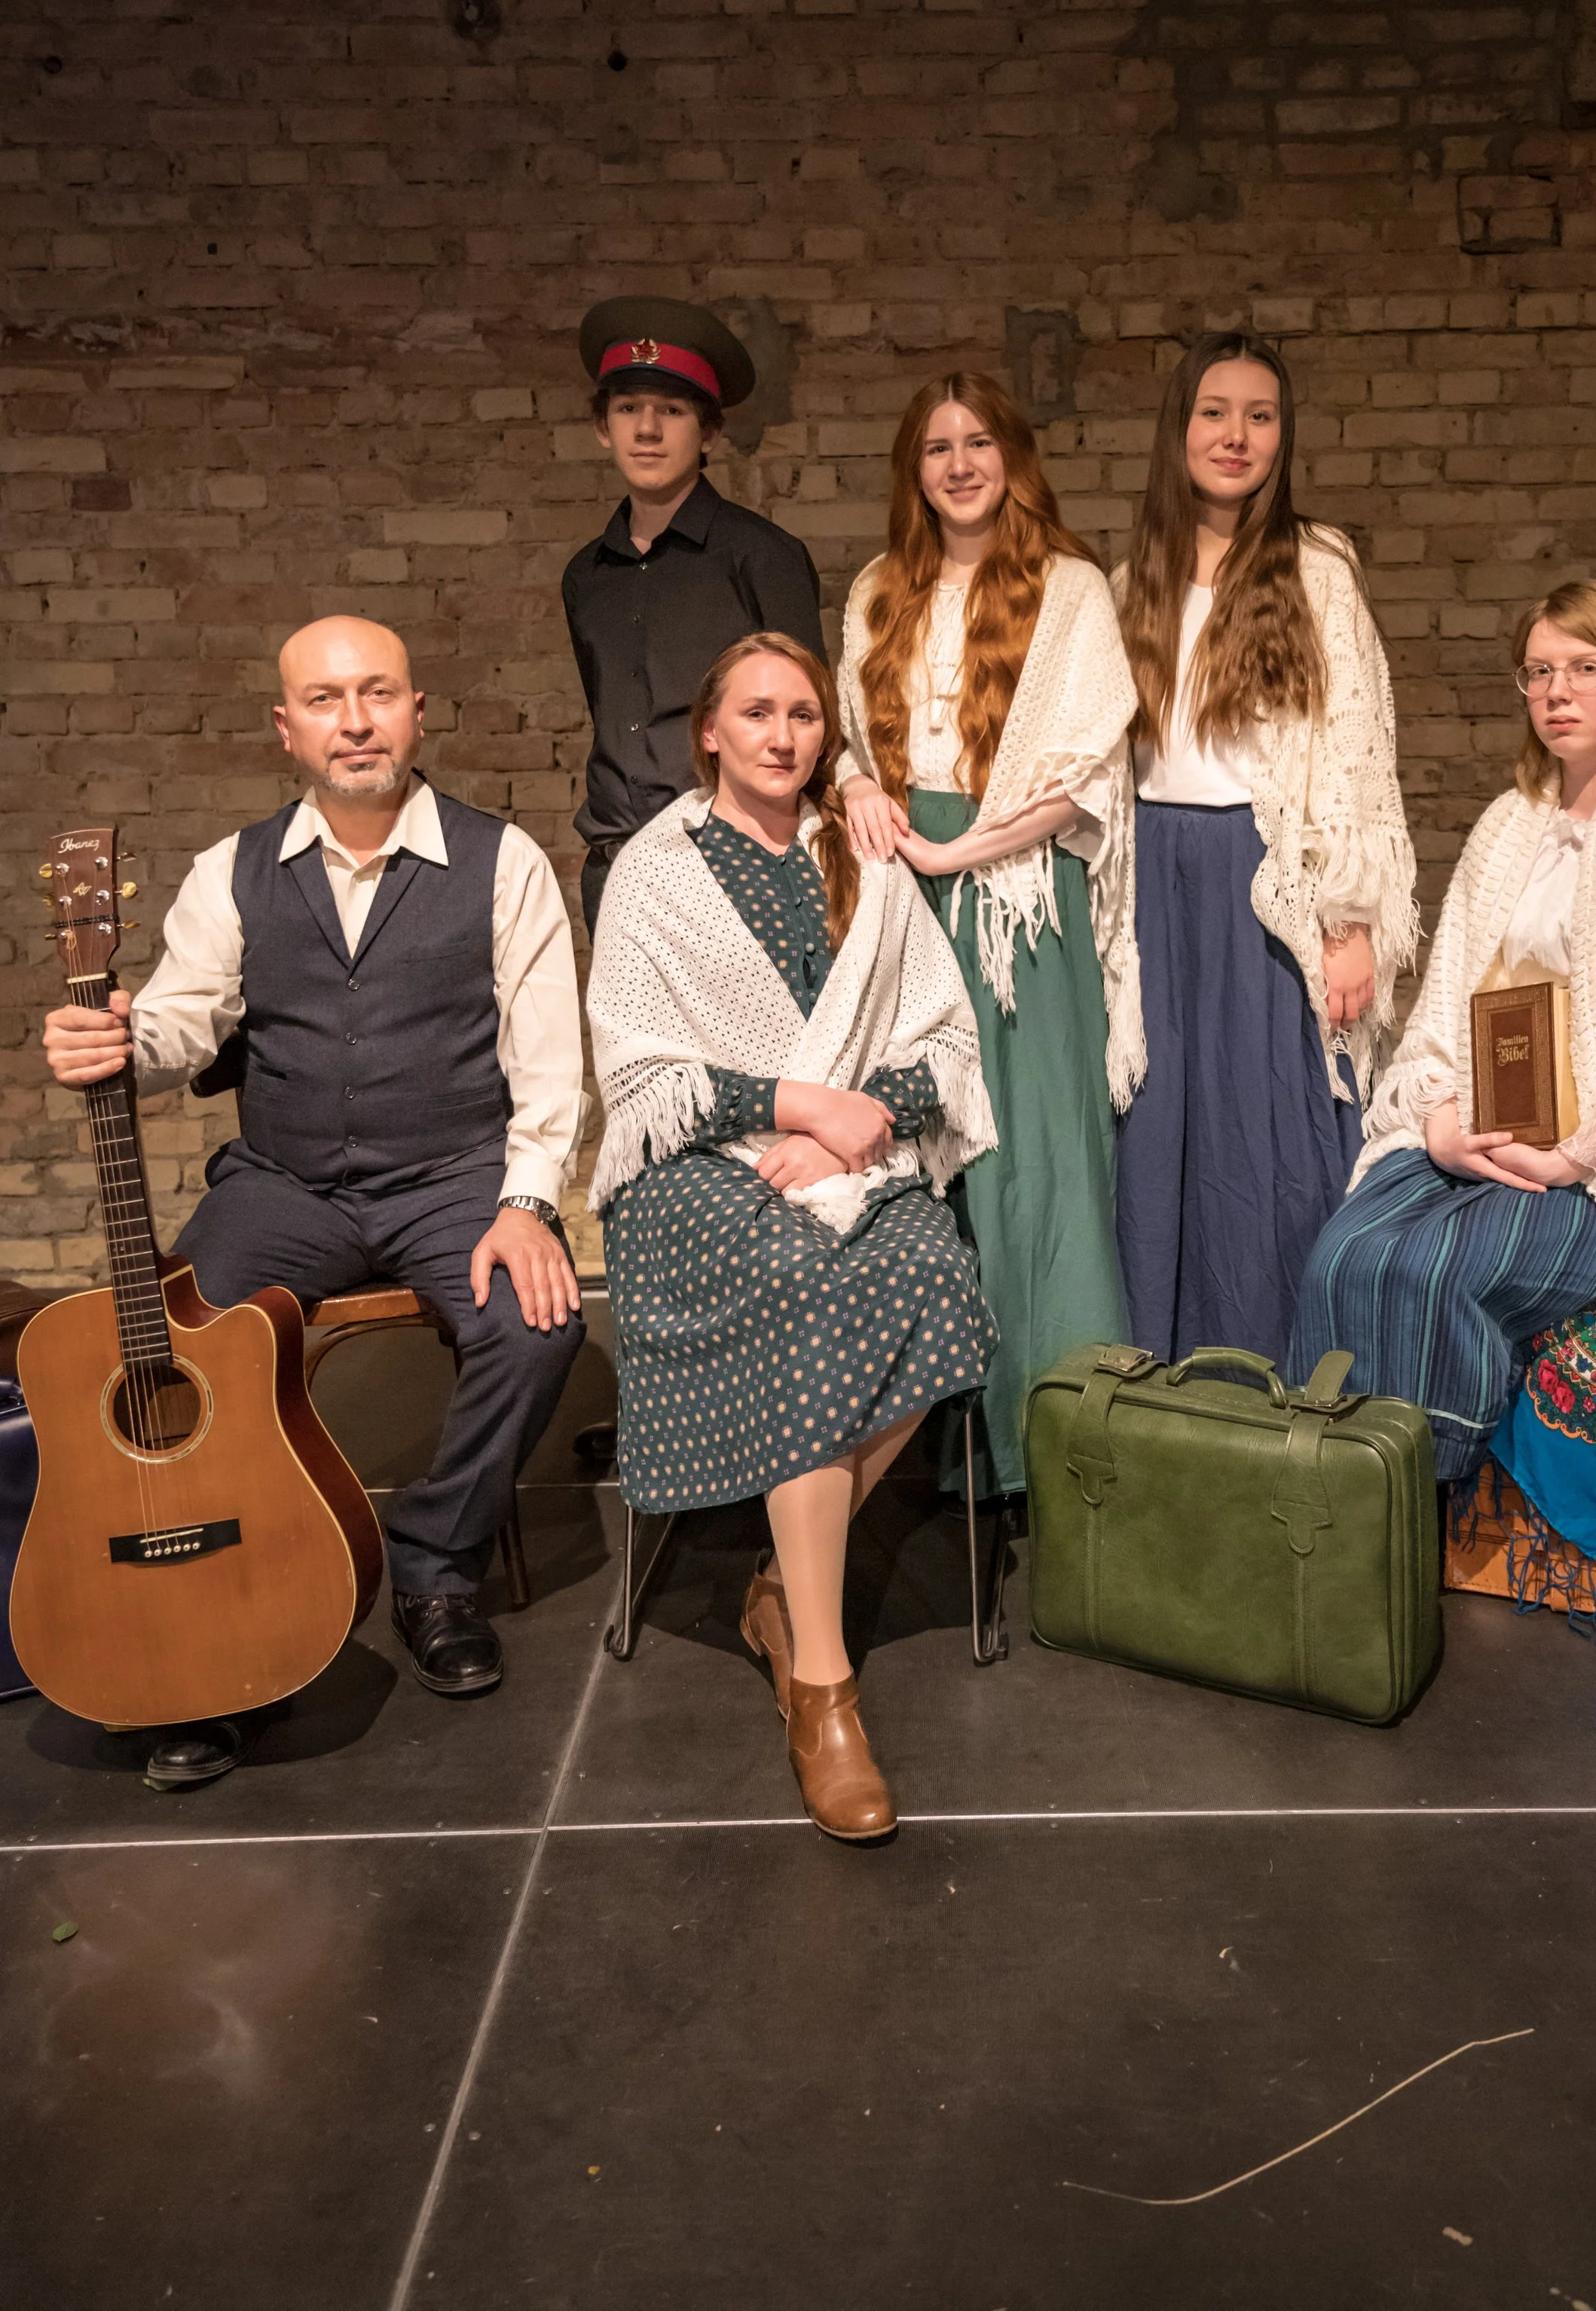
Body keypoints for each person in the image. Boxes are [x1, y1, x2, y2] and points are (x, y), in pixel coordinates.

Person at [41, 616, 587, 1787]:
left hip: (451, 1179)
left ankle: (436, 1561)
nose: (355, 720)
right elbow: (184, 1016)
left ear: (417, 710)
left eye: (377, 693)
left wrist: (527, 1202)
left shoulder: (505, 861)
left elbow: (550, 1063)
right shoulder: (231, 871)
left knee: (539, 1323)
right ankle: (210, 1618)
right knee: (167, 1351)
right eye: (327, 700)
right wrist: (115, 1034)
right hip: (285, 1184)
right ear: (287, 728)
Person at [587, 633, 996, 1842]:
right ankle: (824, 1682)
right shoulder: (655, 872)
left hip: (847, 1157)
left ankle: (777, 1593)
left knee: (934, 1268)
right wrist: (795, 1105)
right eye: (757, 713)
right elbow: (641, 1070)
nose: (783, 734)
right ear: (709, 730)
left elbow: (944, 1041)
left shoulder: (859, 856)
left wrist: (851, 1134)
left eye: (805, 715)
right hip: (695, 1177)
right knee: (803, 1280)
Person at [1285, 579, 1596, 1479]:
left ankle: (1412, 1500)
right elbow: (1444, 1010)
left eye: (1583, 667)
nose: (1555, 692)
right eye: (1537, 672)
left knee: (1436, 1273)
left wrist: (1574, 1155)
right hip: (1484, 1136)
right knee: (1342, 1255)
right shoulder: (1506, 824)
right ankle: (1319, 1504)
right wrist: (1439, 1126)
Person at [836, 372, 1142, 1496]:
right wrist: (859, 792)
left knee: (1036, 1165)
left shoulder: (1069, 590)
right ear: (912, 469)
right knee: (926, 1168)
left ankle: (1060, 1457)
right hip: (900, 892)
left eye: (978, 442)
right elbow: (846, 743)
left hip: (1018, 899)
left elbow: (1088, 774)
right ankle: (937, 1457)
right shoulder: (879, 588)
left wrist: (961, 852)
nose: (958, 463)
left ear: (1013, 455)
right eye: (935, 447)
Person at [1111, 332, 1417, 1366]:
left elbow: (1358, 753)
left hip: (1261, 879)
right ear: (1179, 427)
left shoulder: (1315, 567)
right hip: (1151, 876)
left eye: (1260, 415)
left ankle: (1291, 1389)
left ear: (1283, 437)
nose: (1235, 434)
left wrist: (1352, 921)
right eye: (1214, 410)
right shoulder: (1130, 576)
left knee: (1270, 1136)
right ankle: (1163, 1392)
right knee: (1158, 1136)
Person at [561, 296, 825, 938]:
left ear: (708, 433)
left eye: (671, 411)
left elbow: (813, 719)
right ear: (603, 427)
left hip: (730, 862)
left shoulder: (763, 557)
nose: (647, 431)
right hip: (616, 863)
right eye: (628, 409)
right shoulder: (586, 576)